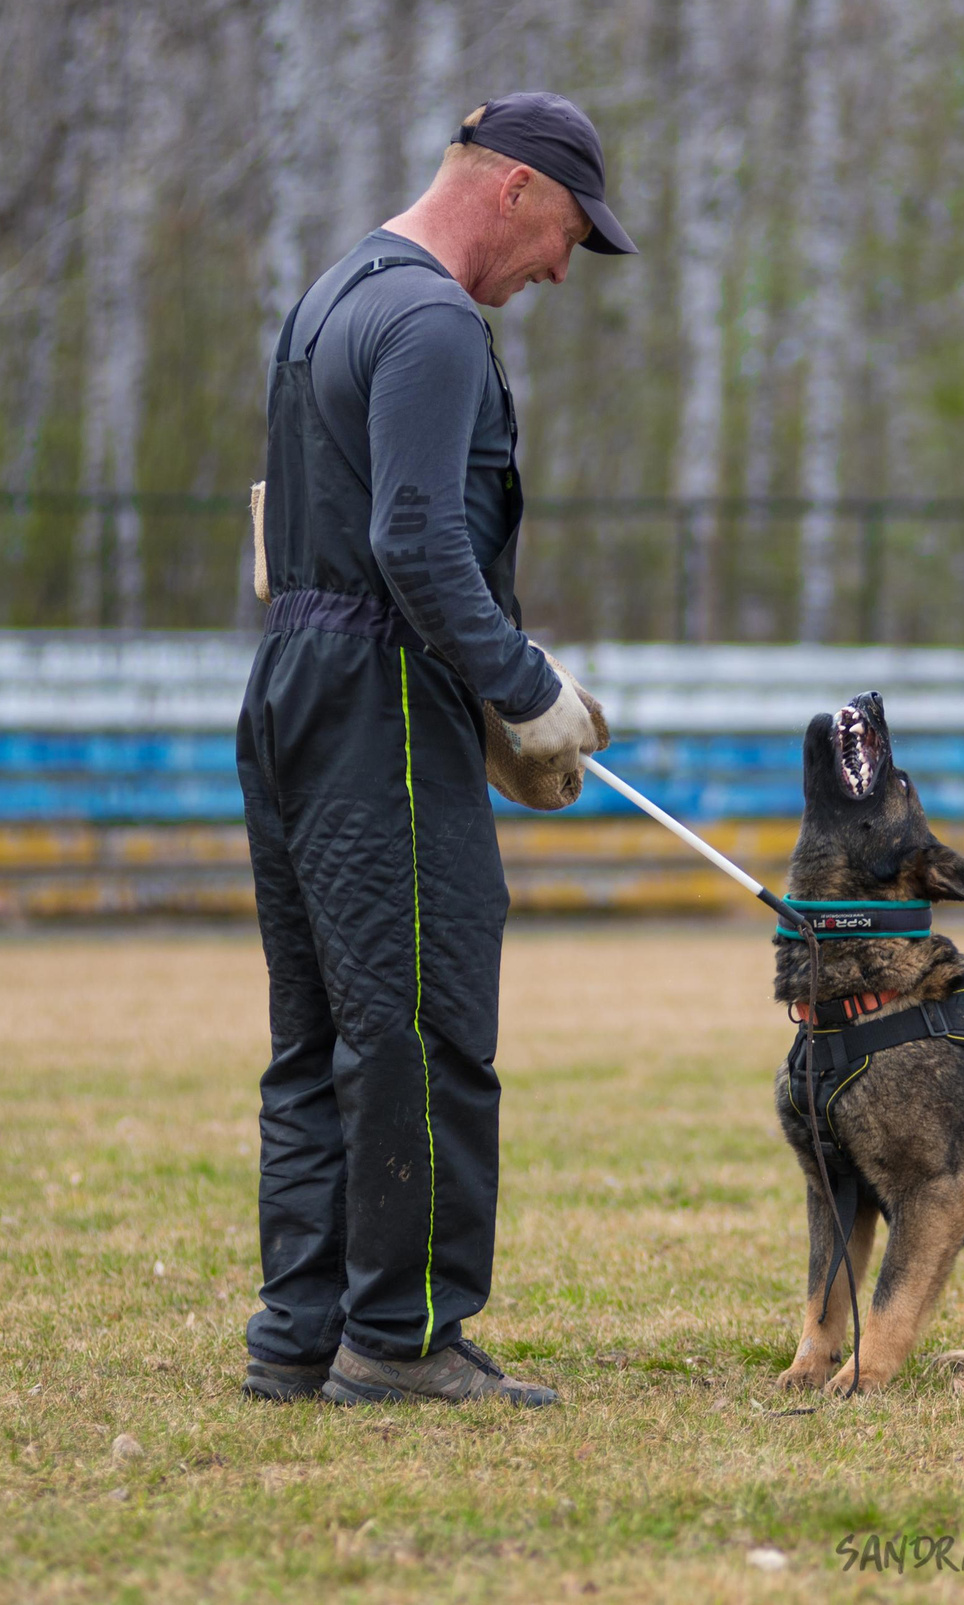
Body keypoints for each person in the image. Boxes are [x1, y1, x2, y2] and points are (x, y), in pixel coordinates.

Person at [237, 93, 634, 1405]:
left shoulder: (332, 296)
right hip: (379, 706)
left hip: (290, 686)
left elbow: (294, 525)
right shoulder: (432, 322)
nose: (561, 268)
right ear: (513, 190)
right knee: (424, 1023)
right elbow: (417, 540)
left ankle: (298, 1336)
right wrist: (527, 691)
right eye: (569, 232)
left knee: (323, 1036)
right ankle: (402, 1339)